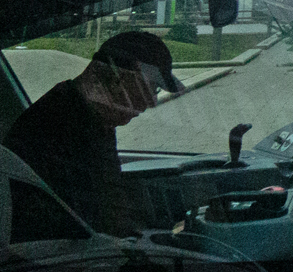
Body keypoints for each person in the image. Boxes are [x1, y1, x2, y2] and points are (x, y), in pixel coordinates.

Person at [4, 30, 183, 236]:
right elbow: (97, 222)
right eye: (152, 88)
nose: (152, 102)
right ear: (117, 79)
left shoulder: (90, 116)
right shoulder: (58, 127)